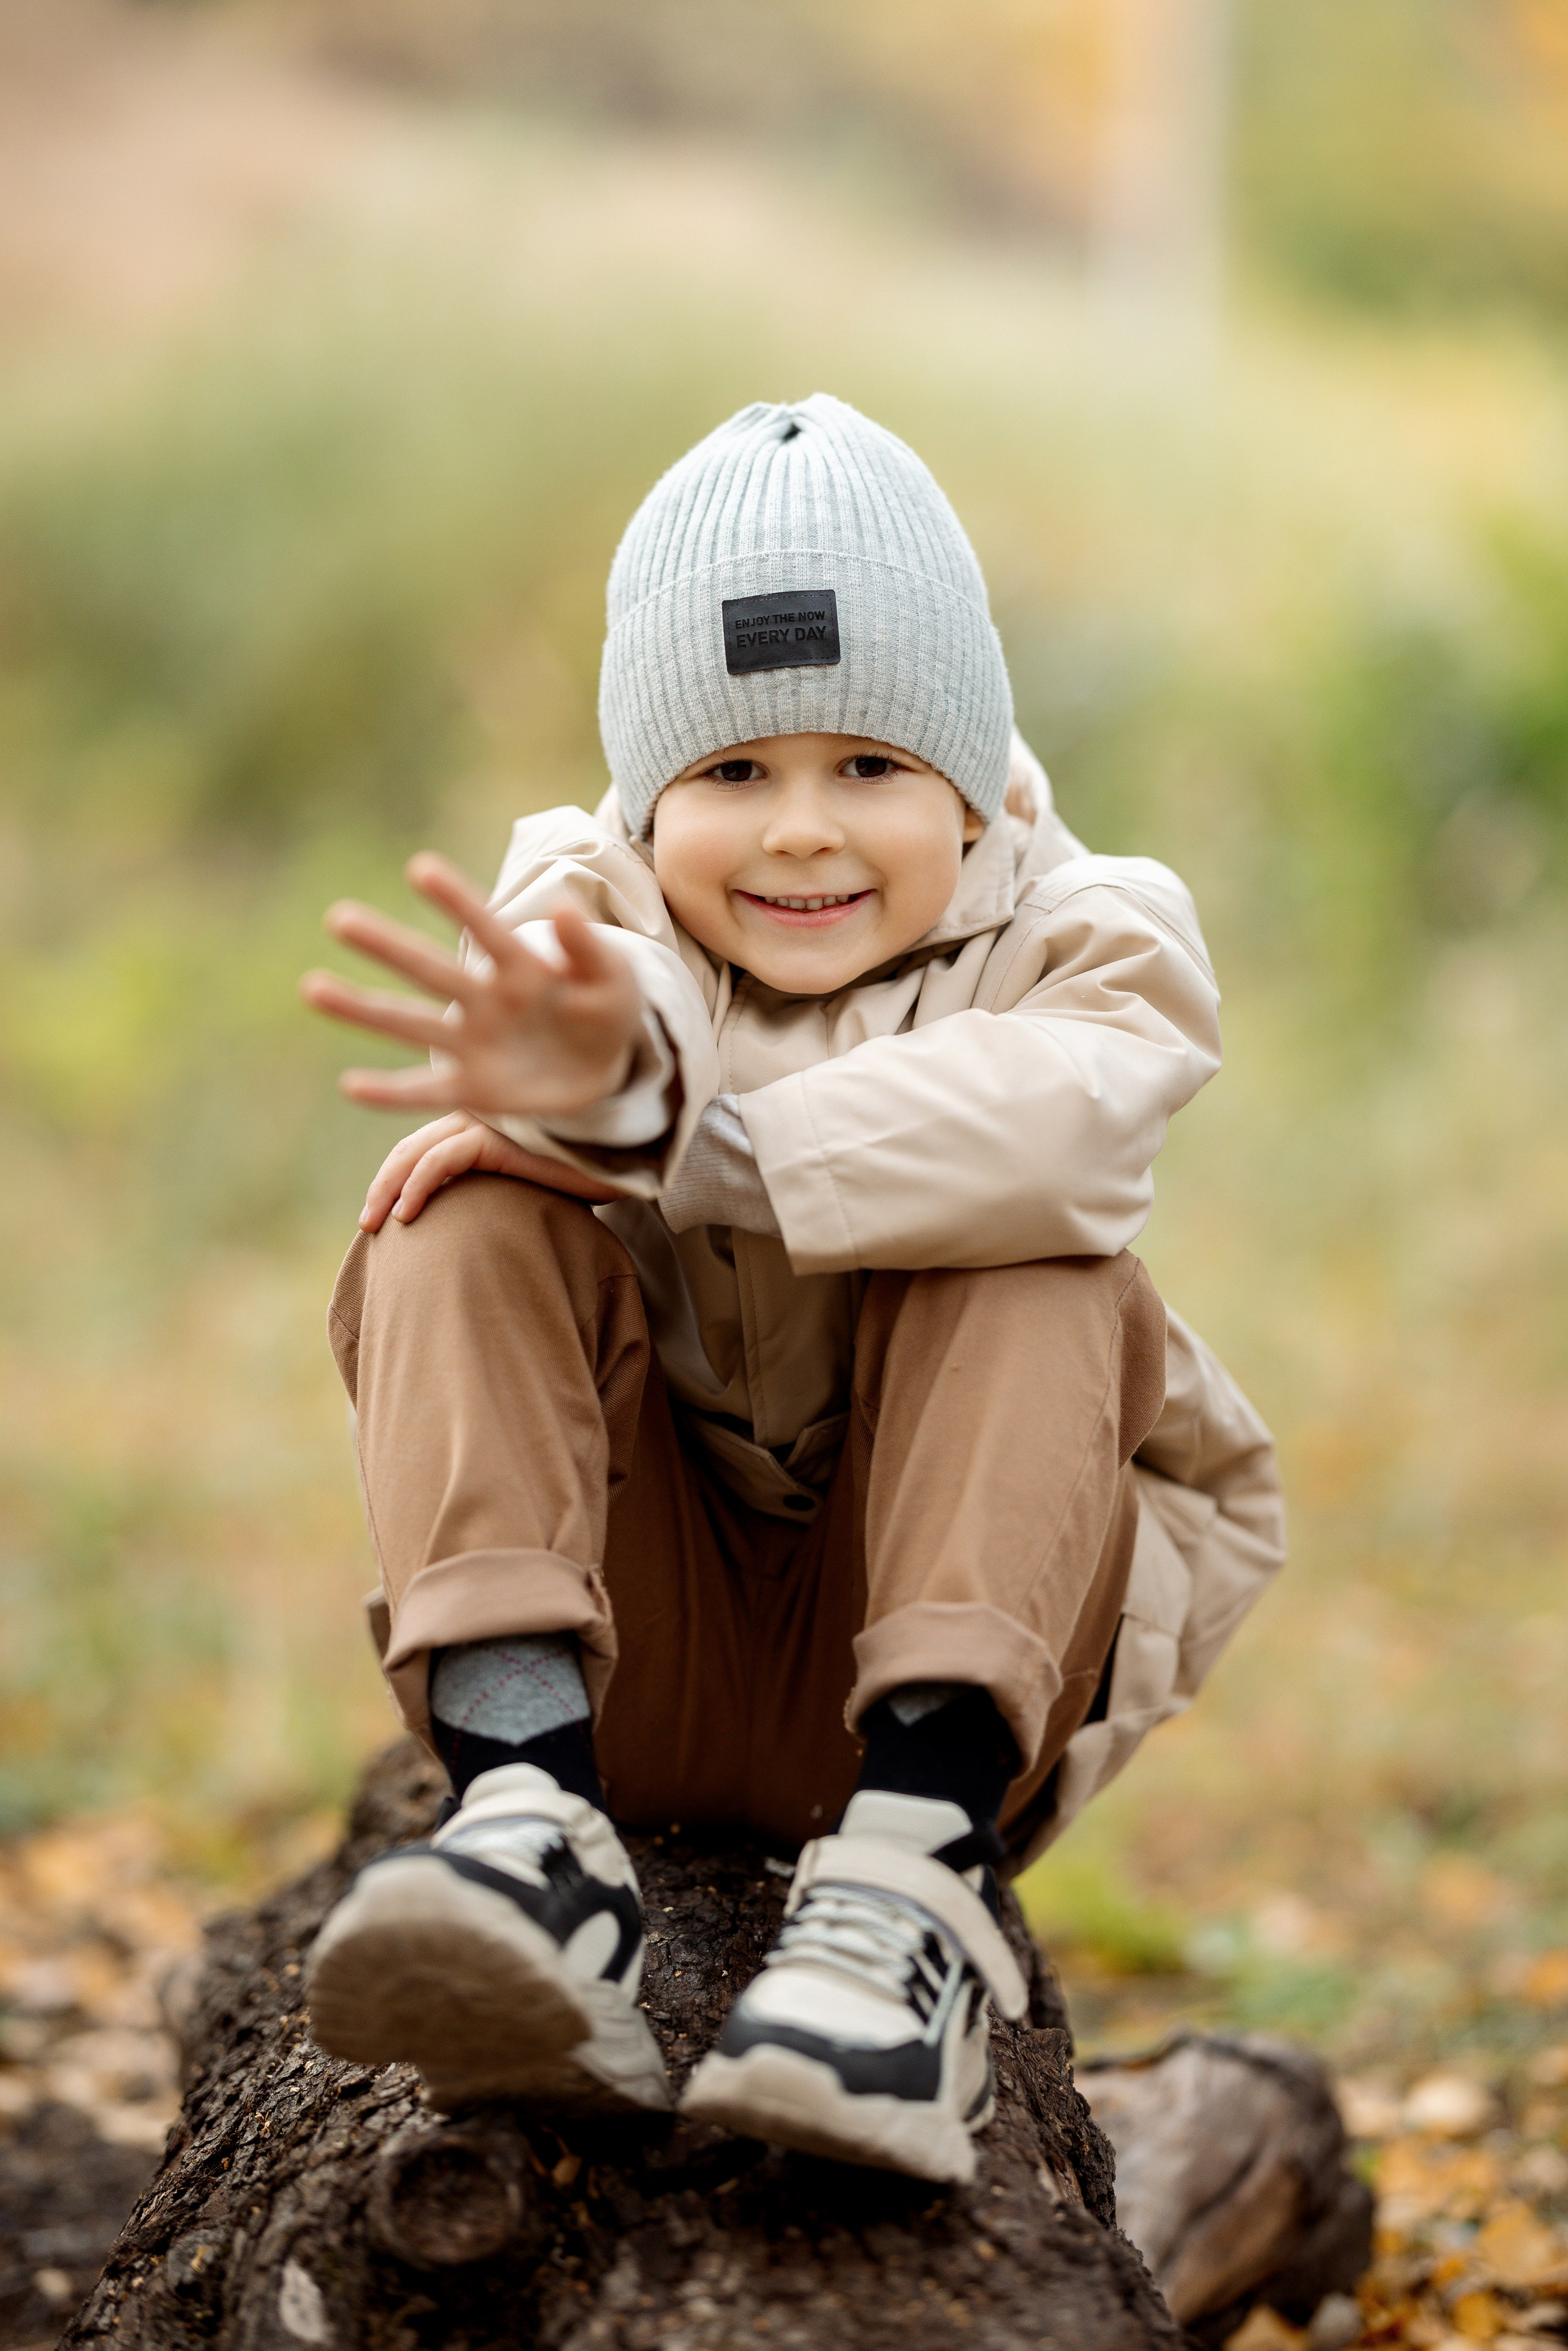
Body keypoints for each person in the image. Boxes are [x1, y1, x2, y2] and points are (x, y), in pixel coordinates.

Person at [298, 395, 1284, 2184]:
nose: (802, 835)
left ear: (974, 776)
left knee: (1042, 1259)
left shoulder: (1099, 925)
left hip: (951, 1662)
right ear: (646, 795)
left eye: (869, 768)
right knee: (453, 1208)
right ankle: (529, 1822)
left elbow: (1062, 1132)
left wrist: (678, 1144)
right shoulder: (583, 892)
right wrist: (594, 1085)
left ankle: (907, 1911)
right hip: (644, 1632)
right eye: (733, 775)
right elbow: (623, 1012)